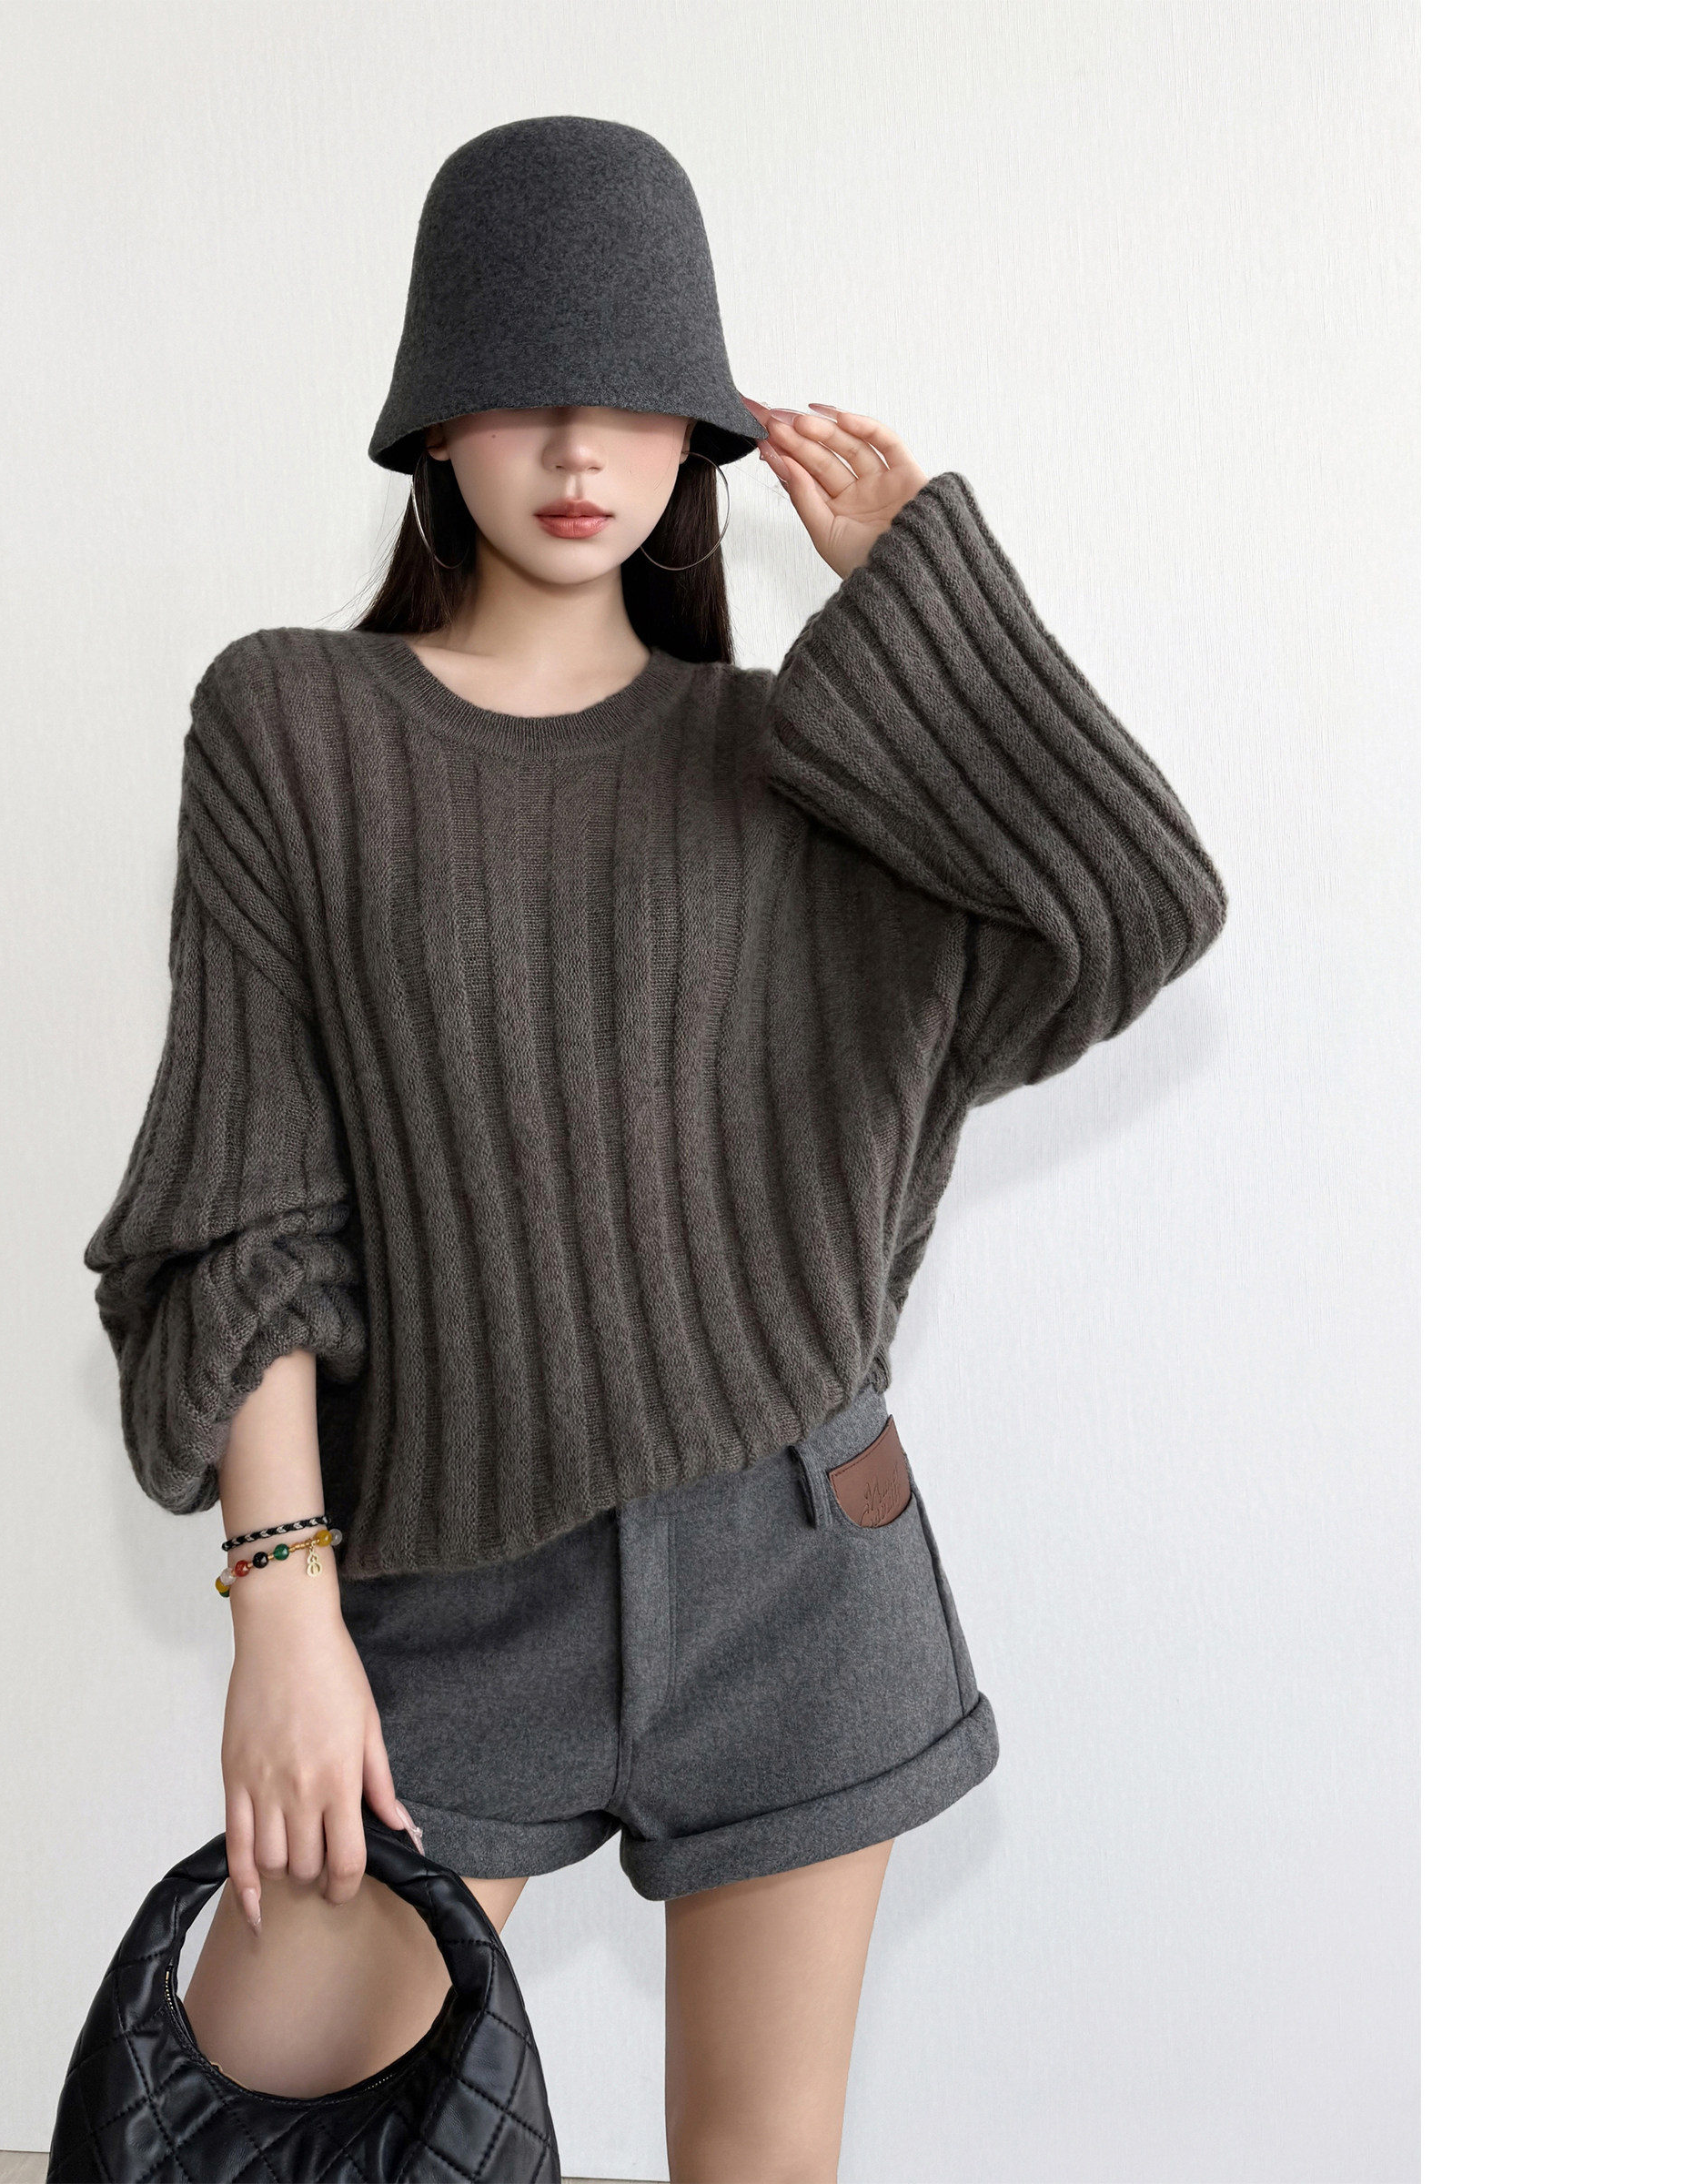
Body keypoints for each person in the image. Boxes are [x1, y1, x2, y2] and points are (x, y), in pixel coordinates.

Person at [83, 115, 1227, 2182]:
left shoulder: (786, 764)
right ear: (434, 421)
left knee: (759, 2163)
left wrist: (921, 583)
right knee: (261, 2129)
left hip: (799, 1564)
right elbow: (252, 1213)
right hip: (447, 1584)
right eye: (524, 387)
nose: (577, 447)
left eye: (631, 394)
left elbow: (1132, 905)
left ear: (700, 428)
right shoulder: (292, 730)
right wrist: (282, 1616)